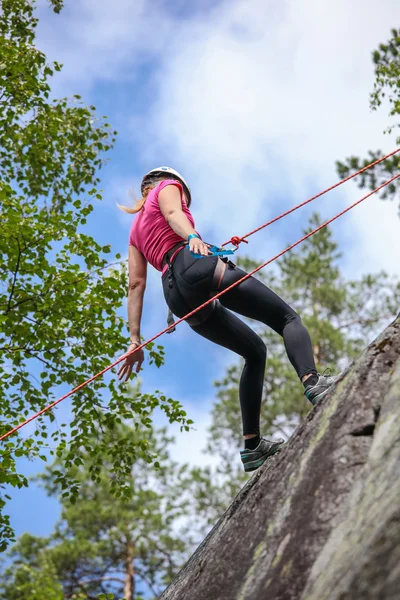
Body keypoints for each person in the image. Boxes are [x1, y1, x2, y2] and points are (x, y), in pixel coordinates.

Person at [117, 167, 337, 472]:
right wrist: (192, 234)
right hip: (192, 262)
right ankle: (314, 383)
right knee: (287, 318)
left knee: (255, 352)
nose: (183, 201)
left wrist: (134, 339)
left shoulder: (134, 233)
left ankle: (252, 446)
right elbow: (170, 213)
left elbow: (136, 284)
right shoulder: (167, 186)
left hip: (175, 296)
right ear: (167, 183)